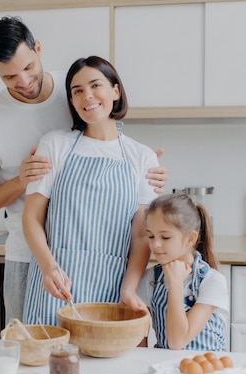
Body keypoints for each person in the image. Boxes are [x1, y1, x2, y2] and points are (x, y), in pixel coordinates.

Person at [0, 16, 168, 326]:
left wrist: (145, 166)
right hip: (30, 255)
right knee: (32, 354)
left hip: (110, 264)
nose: (24, 81)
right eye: (9, 77)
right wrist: (22, 179)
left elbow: (105, 126)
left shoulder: (73, 84)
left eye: (29, 67)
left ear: (38, 49)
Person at [22, 55, 159, 326]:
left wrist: (128, 289)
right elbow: (32, 218)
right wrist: (48, 268)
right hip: (57, 286)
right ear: (72, 101)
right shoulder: (54, 145)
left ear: (115, 91)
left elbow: (141, 234)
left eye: (96, 85)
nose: (88, 96)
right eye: (77, 91)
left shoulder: (142, 157)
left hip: (111, 287)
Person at [137, 193, 229, 351]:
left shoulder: (211, 281)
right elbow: (139, 343)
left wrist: (175, 284)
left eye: (165, 237)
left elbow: (177, 341)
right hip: (164, 370)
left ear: (191, 239)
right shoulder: (149, 279)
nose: (156, 244)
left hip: (207, 371)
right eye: (151, 236)